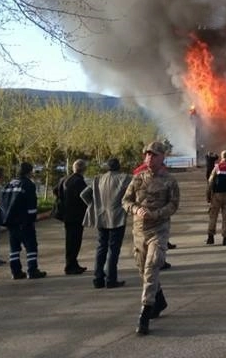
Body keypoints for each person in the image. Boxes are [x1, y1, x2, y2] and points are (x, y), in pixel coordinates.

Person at [122, 141, 180, 336]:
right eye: (147, 154)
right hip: (139, 231)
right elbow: (125, 201)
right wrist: (136, 209)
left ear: (163, 157)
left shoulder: (170, 181)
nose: (149, 158)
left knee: (152, 265)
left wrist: (156, 214)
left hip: (158, 230)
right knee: (142, 269)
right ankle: (160, 299)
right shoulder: (137, 179)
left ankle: (144, 313)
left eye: (154, 155)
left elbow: (173, 205)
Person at [80, 157, 131, 289]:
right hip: (117, 218)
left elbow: (84, 194)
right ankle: (111, 279)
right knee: (113, 249)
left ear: (107, 167)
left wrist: (93, 205)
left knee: (101, 247)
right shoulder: (125, 178)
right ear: (119, 166)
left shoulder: (98, 179)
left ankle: (98, 278)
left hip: (101, 217)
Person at [0, 162, 47, 280]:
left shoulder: (9, 184)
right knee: (31, 246)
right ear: (28, 172)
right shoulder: (27, 184)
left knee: (14, 248)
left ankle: (15, 272)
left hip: (10, 222)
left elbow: (3, 203)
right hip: (24, 221)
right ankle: (32, 270)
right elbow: (31, 204)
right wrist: (32, 218)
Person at [58, 159, 89, 275]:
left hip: (66, 214)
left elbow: (56, 190)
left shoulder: (65, 179)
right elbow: (85, 195)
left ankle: (73, 263)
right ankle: (70, 265)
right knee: (75, 241)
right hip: (76, 215)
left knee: (70, 240)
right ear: (83, 169)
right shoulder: (79, 181)